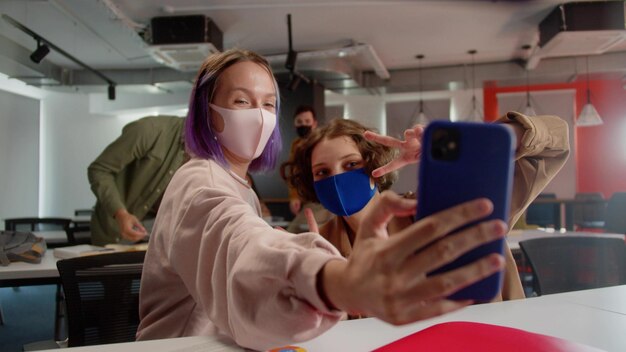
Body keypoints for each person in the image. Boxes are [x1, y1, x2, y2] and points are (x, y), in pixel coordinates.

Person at [136, 48, 513, 350]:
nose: (260, 116)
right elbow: (238, 248)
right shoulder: (198, 181)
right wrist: (336, 280)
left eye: (268, 104)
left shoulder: (239, 186)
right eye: (241, 101)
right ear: (208, 114)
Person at [284, 115, 570, 302]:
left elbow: (555, 143)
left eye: (350, 165)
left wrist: (478, 143)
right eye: (322, 172)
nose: (336, 179)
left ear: (374, 167)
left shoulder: (440, 211)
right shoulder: (316, 245)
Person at [87, 115, 187, 245]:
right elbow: (99, 170)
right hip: (117, 232)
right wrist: (120, 214)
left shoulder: (211, 153)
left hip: (161, 237)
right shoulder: (150, 130)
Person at [281, 105, 332, 232]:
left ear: (314, 123)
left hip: (323, 200)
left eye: (307, 121)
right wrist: (294, 197)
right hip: (307, 200)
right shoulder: (296, 145)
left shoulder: (322, 143)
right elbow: (294, 172)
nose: (303, 124)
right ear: (294, 124)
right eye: (299, 122)